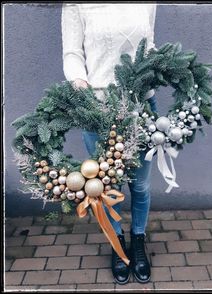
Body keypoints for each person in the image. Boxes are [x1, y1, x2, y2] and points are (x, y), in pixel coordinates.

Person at [61, 3, 157, 284]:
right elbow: (72, 53)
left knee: (140, 185)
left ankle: (138, 240)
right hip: (99, 109)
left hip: (141, 105)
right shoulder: (76, 5)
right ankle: (118, 244)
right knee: (104, 187)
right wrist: (81, 87)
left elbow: (149, 43)